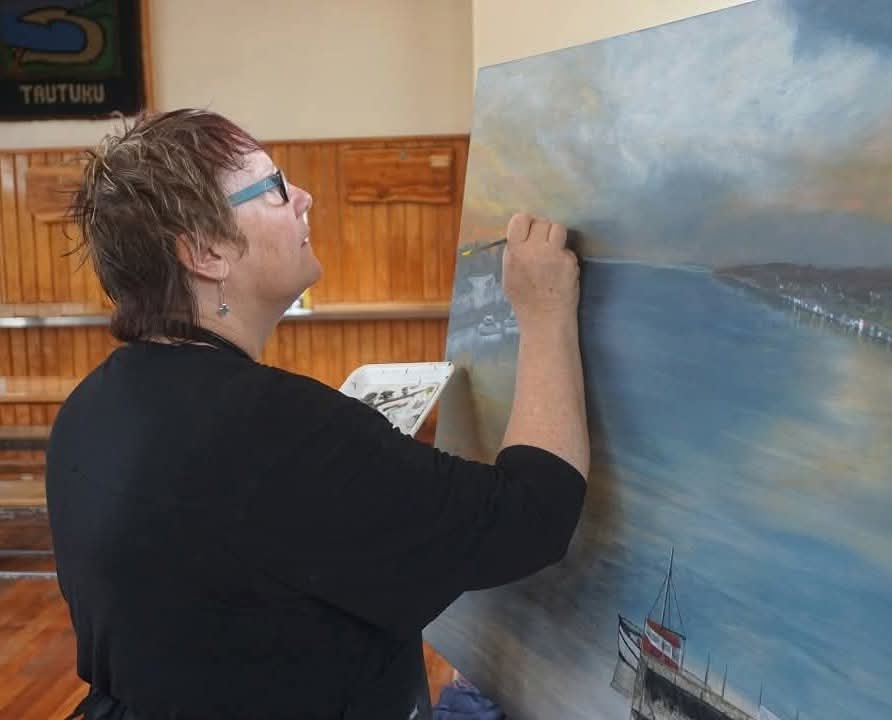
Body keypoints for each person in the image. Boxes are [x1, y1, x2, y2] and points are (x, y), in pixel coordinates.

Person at [45, 109, 589, 720]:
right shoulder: (270, 426)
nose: (304, 197)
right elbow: (532, 515)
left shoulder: (92, 405)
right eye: (275, 188)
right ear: (205, 252)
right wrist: (545, 312)